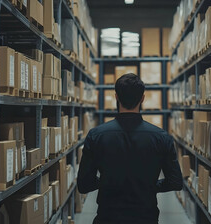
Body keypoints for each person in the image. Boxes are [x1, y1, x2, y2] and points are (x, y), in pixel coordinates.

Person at [77, 73, 183, 224]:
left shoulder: (96, 136)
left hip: (107, 218)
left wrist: (107, 181)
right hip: (146, 218)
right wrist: (151, 185)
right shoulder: (161, 137)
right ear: (142, 99)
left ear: (116, 97)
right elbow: (175, 182)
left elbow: (84, 184)